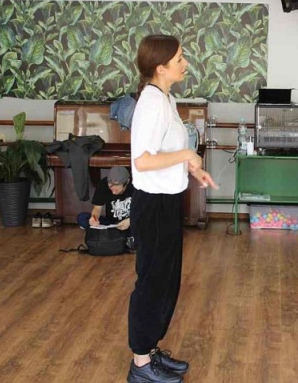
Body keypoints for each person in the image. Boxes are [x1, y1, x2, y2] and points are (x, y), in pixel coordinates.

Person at [126, 34, 218, 383]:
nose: (186, 63)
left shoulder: (166, 97)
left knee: (166, 281)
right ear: (160, 68)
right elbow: (143, 161)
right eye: (179, 59)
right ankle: (140, 365)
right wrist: (187, 154)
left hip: (166, 201)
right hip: (153, 205)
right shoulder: (151, 103)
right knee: (152, 283)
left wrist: (194, 169)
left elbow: (168, 148)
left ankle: (150, 350)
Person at [76, 166, 134, 237]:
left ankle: (118, 235)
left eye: (117, 190)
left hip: (130, 222)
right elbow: (97, 208)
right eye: (111, 189)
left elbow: (143, 212)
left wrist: (130, 221)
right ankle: (118, 235)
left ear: (127, 182)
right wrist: (94, 218)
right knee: (82, 217)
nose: (114, 193)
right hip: (111, 223)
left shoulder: (136, 186)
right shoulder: (104, 184)